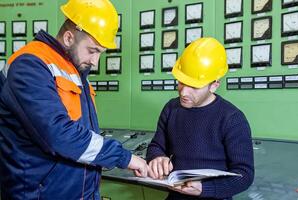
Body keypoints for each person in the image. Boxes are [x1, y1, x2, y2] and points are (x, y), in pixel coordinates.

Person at [0, 0, 148, 199]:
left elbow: (84, 136)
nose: (95, 62)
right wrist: (124, 157)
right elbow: (58, 134)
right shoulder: (30, 65)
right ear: (69, 37)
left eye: (100, 53)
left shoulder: (75, 71)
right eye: (93, 50)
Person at [146, 37, 254, 200]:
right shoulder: (171, 108)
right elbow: (157, 145)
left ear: (214, 85)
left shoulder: (232, 119)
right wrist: (157, 157)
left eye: (194, 86)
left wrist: (205, 189)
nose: (183, 92)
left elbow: (244, 175)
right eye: (181, 82)